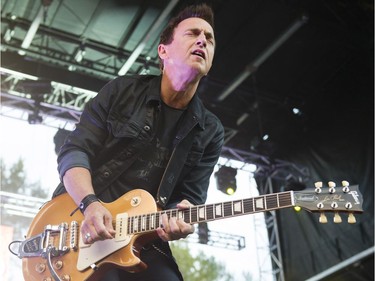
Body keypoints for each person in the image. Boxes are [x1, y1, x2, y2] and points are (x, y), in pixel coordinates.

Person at [53, 3, 224, 280]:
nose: (203, 40)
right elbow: (75, 151)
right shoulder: (122, 91)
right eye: (193, 33)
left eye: (209, 38)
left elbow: (189, 199)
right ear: (163, 51)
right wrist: (90, 204)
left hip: (146, 238)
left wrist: (183, 219)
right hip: (84, 221)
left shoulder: (211, 130)